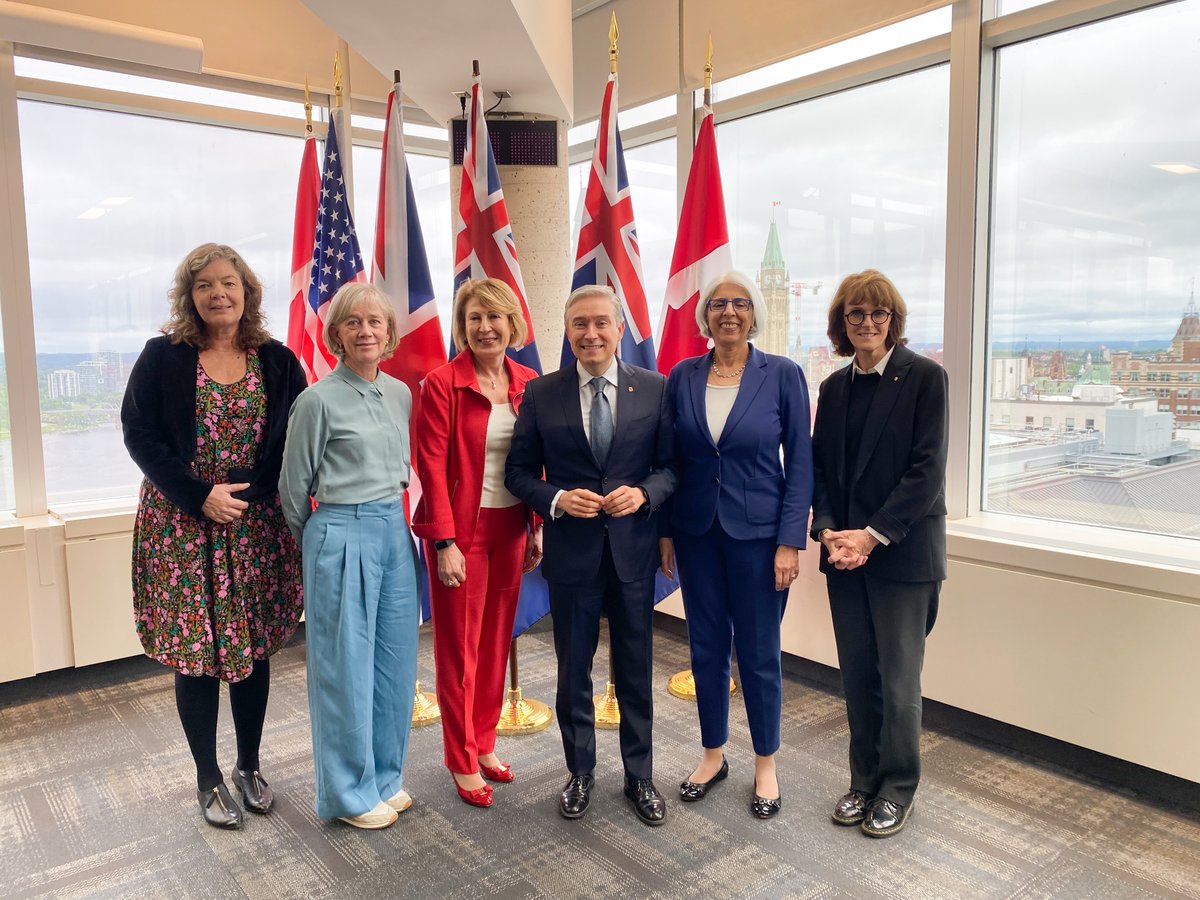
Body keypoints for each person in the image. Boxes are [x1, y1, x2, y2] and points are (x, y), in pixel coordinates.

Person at [121, 242, 306, 830]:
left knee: (252, 648)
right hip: (181, 527)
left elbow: (292, 441)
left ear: (247, 291)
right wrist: (200, 494)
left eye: (228, 283)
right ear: (189, 296)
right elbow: (138, 434)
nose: (217, 294)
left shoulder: (278, 360)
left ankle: (249, 765)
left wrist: (245, 497)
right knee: (197, 655)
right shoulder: (162, 357)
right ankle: (208, 777)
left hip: (254, 527)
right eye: (204, 285)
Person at [505, 285, 676, 826]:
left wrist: (644, 493)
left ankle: (639, 775)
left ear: (620, 329)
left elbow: (672, 468)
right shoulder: (541, 392)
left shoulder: (655, 388)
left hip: (632, 552)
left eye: (601, 322)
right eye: (579, 323)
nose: (591, 333)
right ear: (567, 330)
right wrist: (556, 498)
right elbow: (517, 473)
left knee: (635, 667)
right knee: (572, 670)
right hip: (573, 555)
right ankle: (579, 771)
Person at [659, 271, 812, 820]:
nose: (729, 312)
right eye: (719, 304)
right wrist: (666, 531)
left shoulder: (783, 374)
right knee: (704, 648)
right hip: (697, 533)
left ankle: (765, 763)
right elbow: (669, 460)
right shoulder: (683, 375)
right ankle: (712, 755)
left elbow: (801, 464)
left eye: (740, 304)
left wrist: (790, 542)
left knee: (758, 652)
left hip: (760, 539)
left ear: (754, 314)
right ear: (705, 315)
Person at [811, 269, 948, 838]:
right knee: (858, 676)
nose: (867, 322)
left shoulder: (925, 378)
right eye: (856, 314)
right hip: (845, 557)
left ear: (893, 320)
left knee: (897, 681)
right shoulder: (834, 388)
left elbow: (927, 473)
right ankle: (863, 781)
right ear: (841, 323)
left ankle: (897, 788)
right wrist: (828, 532)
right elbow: (821, 471)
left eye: (878, 313)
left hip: (902, 555)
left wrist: (870, 536)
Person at [279, 282, 421, 830]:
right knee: (344, 668)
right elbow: (293, 491)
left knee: (394, 662)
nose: (366, 331)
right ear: (336, 333)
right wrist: (323, 544)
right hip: (339, 529)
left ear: (389, 332)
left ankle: (383, 778)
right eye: (353, 322)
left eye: (375, 321)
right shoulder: (316, 400)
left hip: (394, 532)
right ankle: (347, 793)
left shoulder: (400, 393)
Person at [412, 278, 542, 809]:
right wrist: (444, 541)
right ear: (462, 326)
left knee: (494, 644)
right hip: (460, 533)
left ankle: (484, 742)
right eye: (474, 318)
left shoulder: (529, 382)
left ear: (512, 324)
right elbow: (430, 466)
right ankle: (461, 759)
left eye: (494, 317)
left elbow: (536, 461)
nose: (485, 327)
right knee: (459, 650)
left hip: (512, 527)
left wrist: (536, 526)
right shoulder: (441, 383)